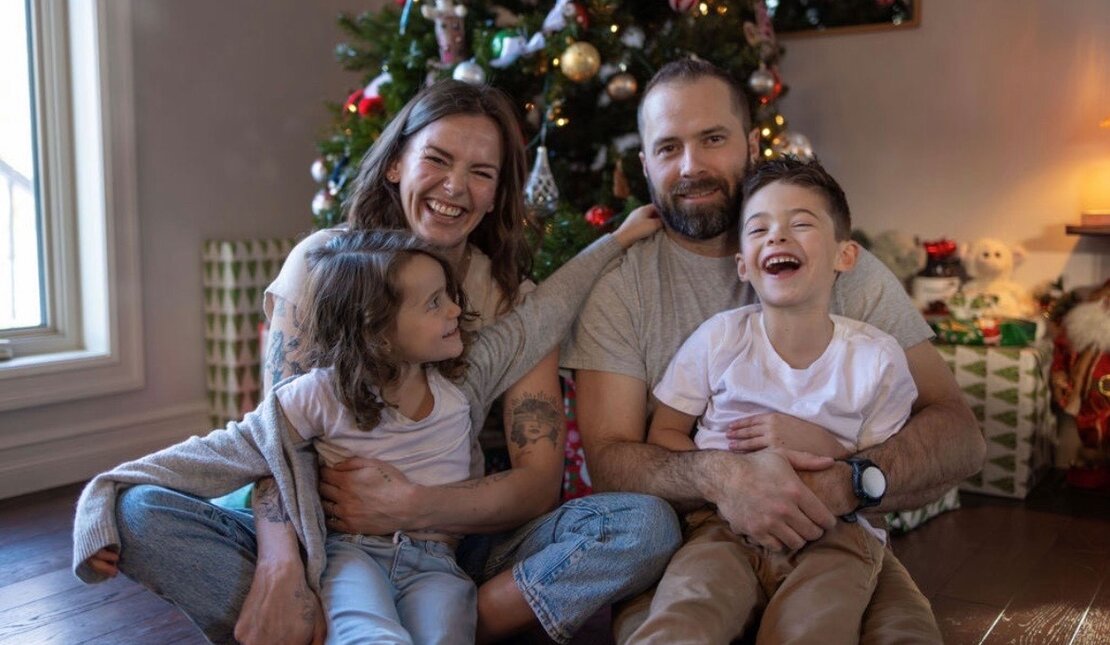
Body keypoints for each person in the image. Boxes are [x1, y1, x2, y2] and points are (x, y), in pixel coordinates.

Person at [108, 80, 681, 645]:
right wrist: (280, 568)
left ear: (496, 192)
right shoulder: (322, 266)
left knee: (644, 525)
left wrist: (414, 505)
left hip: (456, 542)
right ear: (394, 165)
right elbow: (277, 446)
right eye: (437, 159)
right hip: (325, 541)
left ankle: (430, 622)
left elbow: (536, 485)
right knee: (139, 515)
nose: (455, 187)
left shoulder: (511, 297)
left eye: (482, 173)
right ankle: (314, 615)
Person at [74, 217, 660, 644]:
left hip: (439, 560)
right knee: (368, 632)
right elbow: (222, 453)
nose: (455, 310)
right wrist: (102, 496)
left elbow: (544, 313)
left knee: (444, 629)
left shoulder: (463, 377)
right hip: (347, 557)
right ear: (379, 331)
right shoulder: (319, 396)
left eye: (450, 297)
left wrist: (620, 238)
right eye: (435, 304)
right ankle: (303, 620)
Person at [562, 59, 985, 643]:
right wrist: (726, 478)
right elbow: (609, 459)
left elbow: (960, 436)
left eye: (712, 139)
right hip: (699, 544)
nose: (690, 166)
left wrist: (843, 483)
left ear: (751, 144)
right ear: (644, 165)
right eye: (667, 148)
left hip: (836, 532)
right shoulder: (624, 286)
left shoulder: (834, 265)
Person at [635, 157, 919, 643]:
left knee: (814, 629)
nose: (777, 237)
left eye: (801, 224)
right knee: (685, 614)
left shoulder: (878, 360)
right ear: (744, 264)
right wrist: (731, 478)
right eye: (759, 228)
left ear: (844, 256)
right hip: (720, 527)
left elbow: (882, 478)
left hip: (835, 533)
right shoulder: (719, 339)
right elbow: (664, 433)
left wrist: (825, 445)